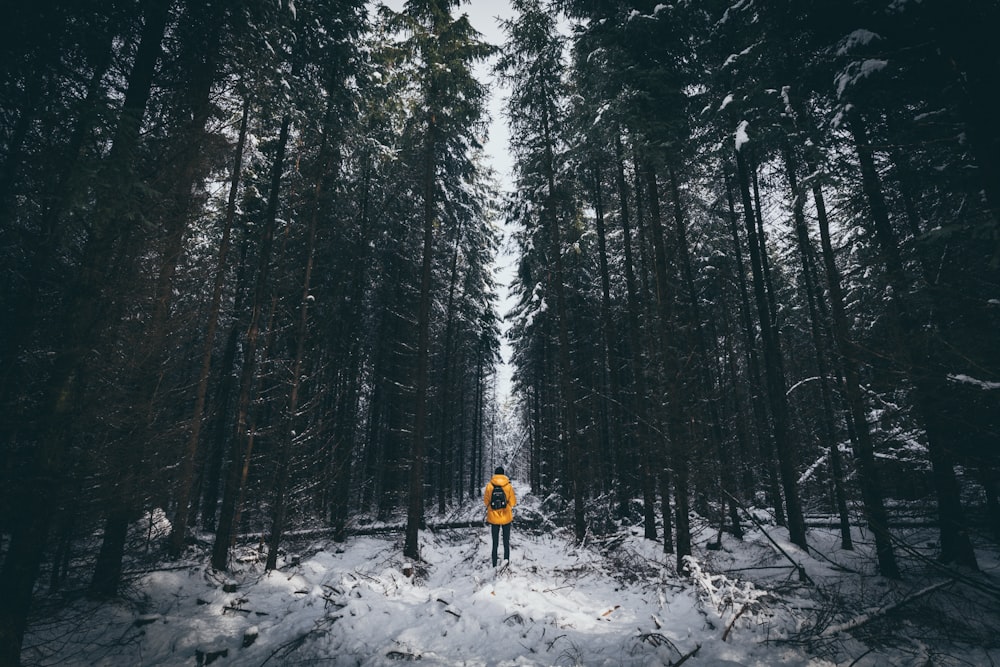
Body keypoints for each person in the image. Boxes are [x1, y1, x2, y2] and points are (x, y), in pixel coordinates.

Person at [483, 466, 516, 568]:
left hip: (493, 518)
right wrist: (507, 506)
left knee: (495, 542)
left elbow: (486, 501)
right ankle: (506, 563)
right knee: (506, 542)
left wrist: (491, 508)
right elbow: (513, 502)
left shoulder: (489, 485)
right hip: (506, 517)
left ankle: (494, 564)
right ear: (503, 474)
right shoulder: (508, 486)